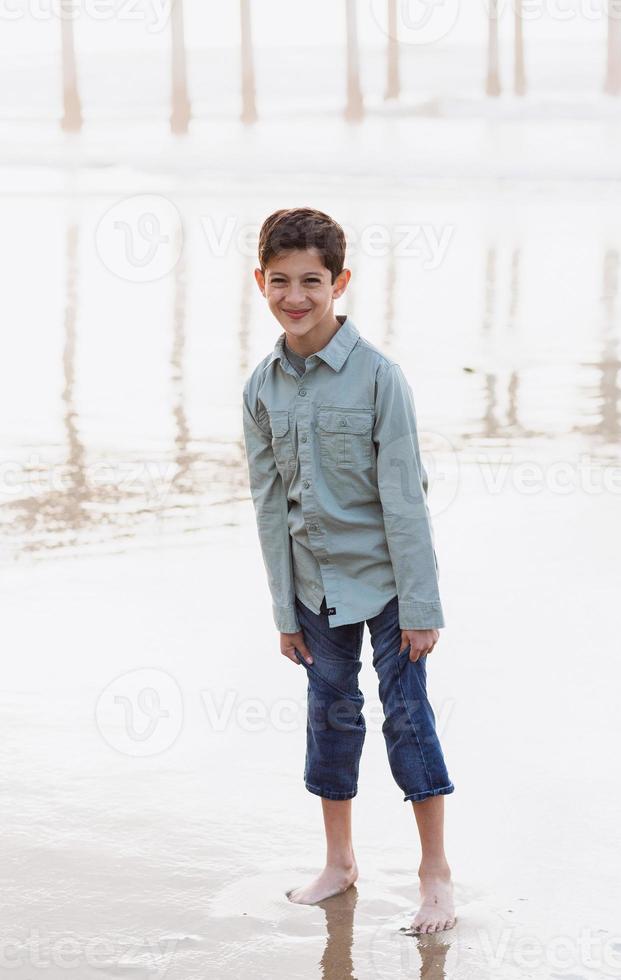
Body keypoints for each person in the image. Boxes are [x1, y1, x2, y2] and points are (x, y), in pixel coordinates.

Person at [242, 207, 455, 934]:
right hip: (313, 591)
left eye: (311, 281)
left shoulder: (378, 378)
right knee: (331, 718)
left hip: (391, 585)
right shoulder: (260, 387)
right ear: (260, 282)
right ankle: (340, 862)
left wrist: (422, 605)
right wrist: (281, 611)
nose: (294, 296)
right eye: (280, 280)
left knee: (406, 718)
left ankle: (435, 872)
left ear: (340, 283)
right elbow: (268, 506)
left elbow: (405, 498)